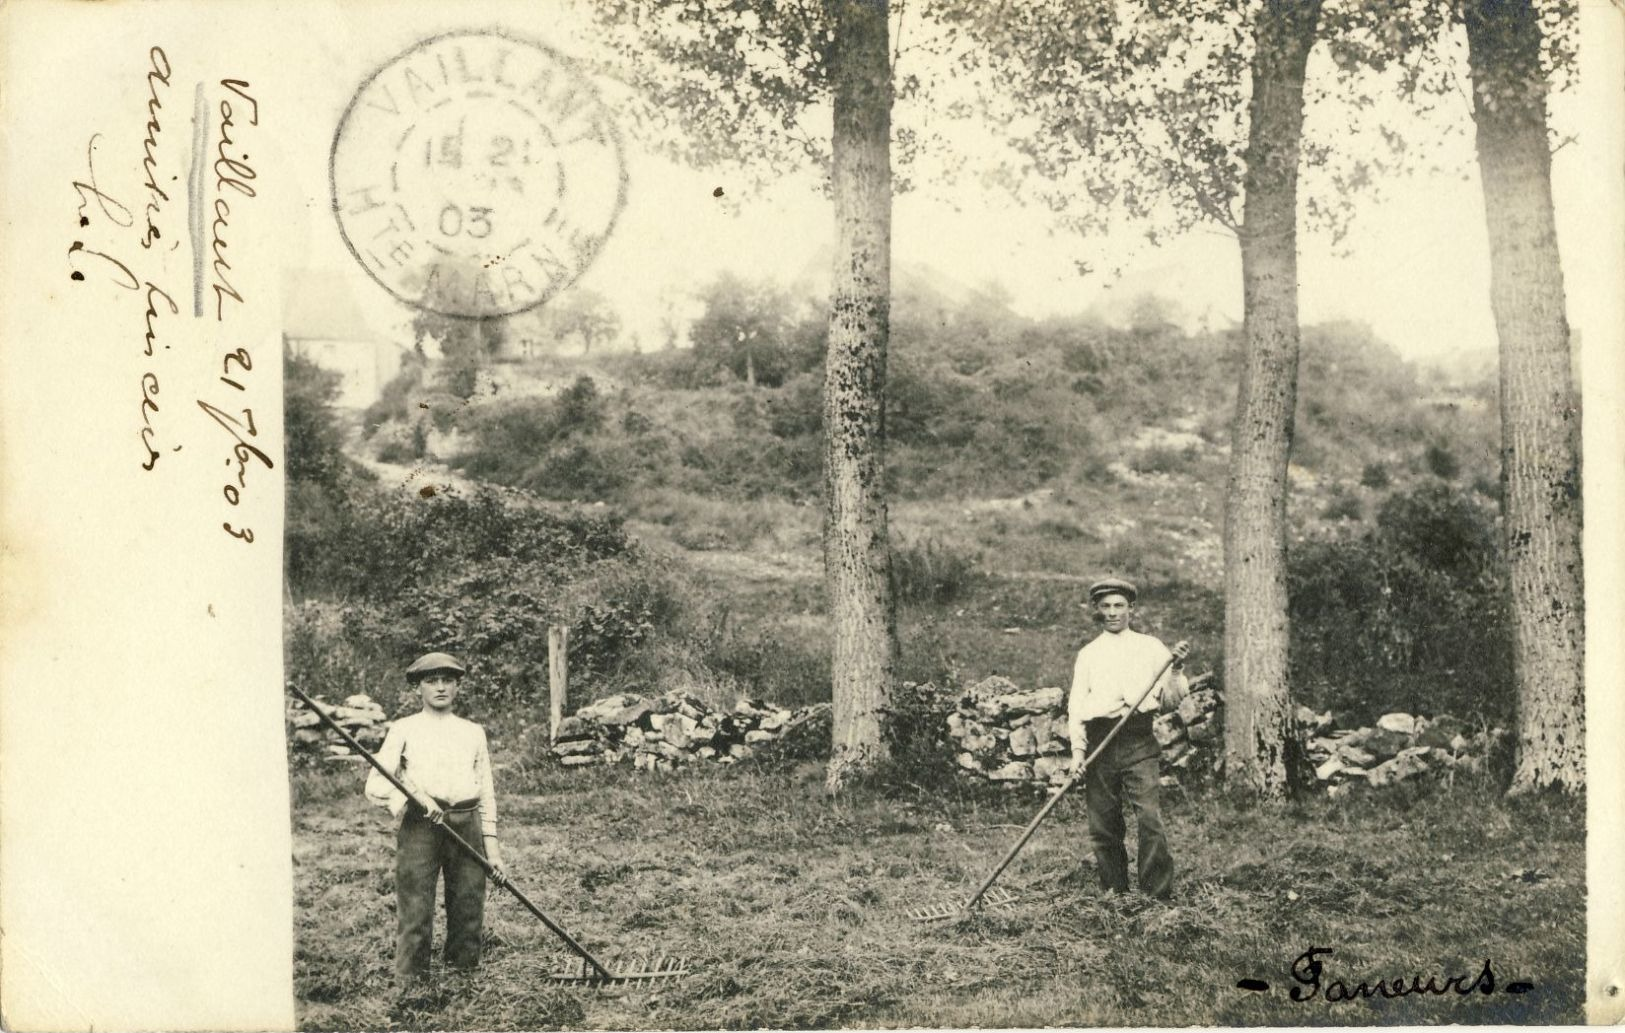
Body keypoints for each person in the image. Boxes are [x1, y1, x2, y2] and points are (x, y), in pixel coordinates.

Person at [365, 652, 508, 985]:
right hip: (422, 827)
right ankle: (411, 982)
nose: (440, 688)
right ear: (419, 688)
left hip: (467, 822)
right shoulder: (404, 729)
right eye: (432, 681)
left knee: (469, 900)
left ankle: (463, 974)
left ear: (458, 686)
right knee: (416, 903)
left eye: (448, 681)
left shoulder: (473, 732)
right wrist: (414, 798)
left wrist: (494, 852)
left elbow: (486, 793)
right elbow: (374, 785)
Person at [1066, 577, 1191, 901]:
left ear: (1131, 609)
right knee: (1104, 825)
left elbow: (1171, 701)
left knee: (1149, 819)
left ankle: (1156, 896)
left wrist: (1176, 671)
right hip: (1100, 744)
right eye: (1105, 606)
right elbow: (1077, 708)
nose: (1112, 612)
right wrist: (1078, 755)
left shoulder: (1151, 648)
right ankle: (1114, 893)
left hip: (1138, 740)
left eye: (1119, 605)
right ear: (1097, 609)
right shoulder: (1089, 654)